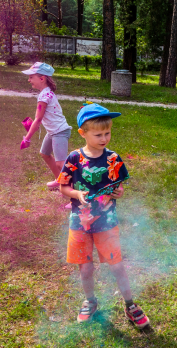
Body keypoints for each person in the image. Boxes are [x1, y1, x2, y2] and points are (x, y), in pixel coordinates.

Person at [57, 102, 151, 328]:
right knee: (85, 267)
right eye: (98, 134)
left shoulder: (113, 159)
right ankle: (90, 301)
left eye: (107, 133)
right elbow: (63, 187)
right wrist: (76, 193)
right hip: (80, 222)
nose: (104, 138)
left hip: (106, 222)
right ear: (83, 133)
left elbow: (119, 186)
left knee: (116, 265)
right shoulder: (74, 158)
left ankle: (130, 304)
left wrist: (120, 191)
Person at [20, 62, 72, 190]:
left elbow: (38, 119)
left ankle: (75, 192)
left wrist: (27, 139)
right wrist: (33, 125)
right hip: (53, 131)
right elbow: (41, 119)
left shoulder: (44, 96)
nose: (29, 79)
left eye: (31, 77)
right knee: (44, 153)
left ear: (42, 78)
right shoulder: (46, 92)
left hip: (59, 132)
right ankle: (60, 180)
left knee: (61, 163)